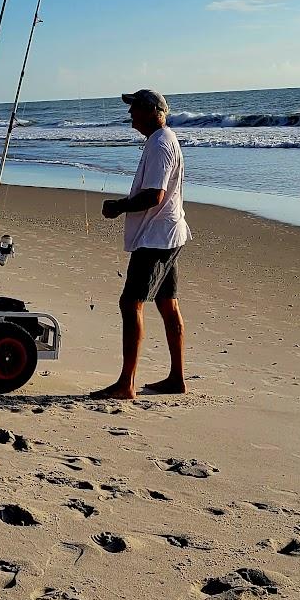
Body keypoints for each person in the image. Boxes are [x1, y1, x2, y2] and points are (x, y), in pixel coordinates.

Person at [91, 89, 191, 400]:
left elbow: (154, 196)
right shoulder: (159, 140)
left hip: (157, 237)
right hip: (167, 233)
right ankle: (176, 378)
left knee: (130, 303)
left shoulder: (161, 144)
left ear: (152, 111)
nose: (130, 115)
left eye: (134, 109)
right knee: (167, 304)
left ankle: (127, 383)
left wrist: (118, 207)